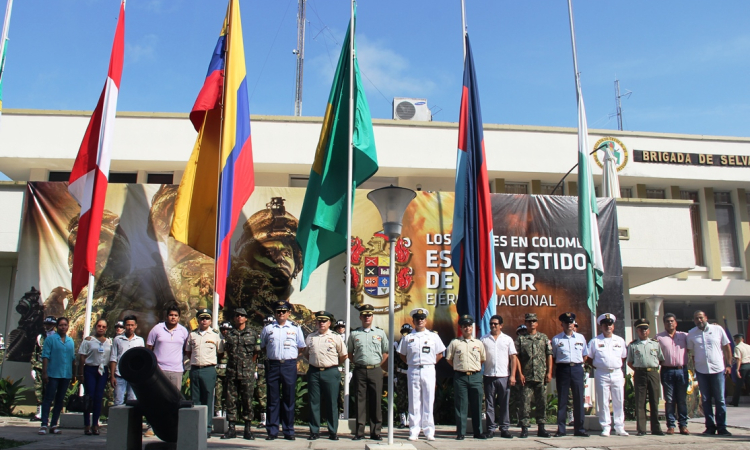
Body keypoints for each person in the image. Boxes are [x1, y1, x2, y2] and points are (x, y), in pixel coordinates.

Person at [261, 300, 306, 441]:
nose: (281, 314)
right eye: (278, 311)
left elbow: (301, 347)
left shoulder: (295, 328)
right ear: (274, 313)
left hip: (289, 365)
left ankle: (288, 430)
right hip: (273, 365)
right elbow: (263, 346)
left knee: (289, 398)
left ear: (289, 313)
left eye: (284, 311)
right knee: (273, 399)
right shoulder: (268, 329)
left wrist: (290, 358)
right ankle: (272, 430)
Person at [398, 308, 445, 441]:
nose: (420, 321)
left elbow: (440, 354)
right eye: (417, 319)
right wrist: (412, 363)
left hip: (429, 369)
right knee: (414, 401)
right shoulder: (408, 338)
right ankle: (414, 430)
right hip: (413, 370)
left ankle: (429, 430)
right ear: (413, 321)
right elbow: (402, 355)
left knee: (428, 400)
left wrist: (429, 363)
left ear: (425, 320)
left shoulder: (433, 336)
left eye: (422, 318)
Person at [686, 310, 732, 436]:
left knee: (720, 399)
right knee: (705, 400)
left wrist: (729, 364)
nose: (699, 320)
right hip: (702, 370)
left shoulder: (718, 330)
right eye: (696, 318)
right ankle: (710, 427)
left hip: (718, 369)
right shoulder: (691, 333)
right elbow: (690, 353)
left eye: (701, 317)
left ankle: (722, 427)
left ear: (706, 317)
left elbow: (727, 347)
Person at [347, 304, 389, 440]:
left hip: (376, 370)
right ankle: (359, 432)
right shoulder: (354, 334)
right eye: (364, 315)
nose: (367, 317)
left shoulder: (380, 333)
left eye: (369, 315)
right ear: (360, 317)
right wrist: (359, 364)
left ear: (372, 317)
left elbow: (385, 352)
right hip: (359, 370)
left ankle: (376, 431)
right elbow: (350, 353)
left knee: (376, 400)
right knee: (360, 401)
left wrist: (377, 364)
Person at [305, 310, 347, 440]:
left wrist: (331, 365)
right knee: (314, 402)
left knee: (332, 402)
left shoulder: (335, 337)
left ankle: (333, 431)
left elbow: (343, 355)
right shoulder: (311, 337)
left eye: (324, 321)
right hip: (314, 372)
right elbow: (307, 354)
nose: (321, 323)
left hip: (330, 372)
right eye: (319, 321)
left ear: (329, 323)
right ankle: (314, 431)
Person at [585, 313, 628, 437]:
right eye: (605, 325)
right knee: (603, 401)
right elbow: (589, 358)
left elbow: (623, 357)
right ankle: (605, 426)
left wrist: (614, 365)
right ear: (601, 326)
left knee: (619, 400)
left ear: (613, 326)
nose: (608, 327)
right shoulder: (595, 341)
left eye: (610, 324)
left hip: (616, 373)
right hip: (602, 373)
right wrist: (600, 366)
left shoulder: (619, 340)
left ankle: (620, 427)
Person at [221, 308, 259, 440]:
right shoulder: (229, 334)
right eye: (237, 315)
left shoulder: (252, 334)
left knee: (247, 401)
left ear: (246, 318)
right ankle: (231, 428)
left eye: (242, 315)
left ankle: (247, 429)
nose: (239, 318)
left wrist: (249, 365)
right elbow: (226, 351)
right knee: (231, 401)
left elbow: (255, 352)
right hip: (232, 371)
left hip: (247, 372)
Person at [446, 314, 486, 440]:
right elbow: (449, 359)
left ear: (472, 328)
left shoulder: (478, 343)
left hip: (475, 377)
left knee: (477, 405)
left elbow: (482, 359)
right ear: (461, 328)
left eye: (469, 326)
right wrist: (459, 367)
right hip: (460, 377)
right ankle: (461, 432)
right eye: (464, 326)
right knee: (461, 406)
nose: (467, 328)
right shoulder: (455, 343)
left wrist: (473, 368)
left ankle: (478, 432)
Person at [185, 308, 223, 438]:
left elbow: (220, 351)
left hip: (209, 369)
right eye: (202, 318)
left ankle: (207, 427)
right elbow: (188, 351)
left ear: (210, 320)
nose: (204, 321)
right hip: (195, 368)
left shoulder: (215, 334)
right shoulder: (193, 335)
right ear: (198, 320)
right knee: (195, 399)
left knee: (208, 398)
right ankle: (197, 426)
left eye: (207, 318)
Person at [515, 313, 552, 438]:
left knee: (541, 402)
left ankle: (541, 427)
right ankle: (524, 428)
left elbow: (549, 355)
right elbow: (516, 357)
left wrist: (549, 372)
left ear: (537, 323)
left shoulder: (543, 338)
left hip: (540, 375)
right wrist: (519, 373)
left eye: (534, 321)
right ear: (525, 323)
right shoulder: (521, 339)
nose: (531, 323)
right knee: (525, 403)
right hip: (526, 376)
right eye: (529, 321)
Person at [550, 312, 588, 438]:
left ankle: (580, 429)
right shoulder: (556, 339)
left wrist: (579, 365)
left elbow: (585, 354)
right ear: (562, 324)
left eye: (571, 322)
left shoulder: (580, 338)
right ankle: (561, 429)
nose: (569, 325)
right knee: (562, 400)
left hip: (577, 368)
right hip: (563, 369)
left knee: (578, 399)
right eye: (566, 323)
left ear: (574, 324)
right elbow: (554, 357)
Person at [480, 314, 517, 439]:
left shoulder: (507, 339)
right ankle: (490, 429)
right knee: (489, 404)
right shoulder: (484, 339)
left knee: (504, 403)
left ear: (501, 325)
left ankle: (504, 428)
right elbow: (479, 357)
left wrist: (512, 375)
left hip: (503, 376)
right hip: (489, 375)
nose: (493, 326)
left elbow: (513, 358)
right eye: (491, 324)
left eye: (496, 324)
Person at [627, 318, 665, 436]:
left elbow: (661, 359)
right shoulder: (633, 345)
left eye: (645, 329)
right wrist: (638, 370)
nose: (643, 331)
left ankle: (656, 428)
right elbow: (630, 362)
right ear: (637, 331)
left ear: (648, 331)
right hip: (640, 373)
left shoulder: (655, 343)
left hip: (653, 372)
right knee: (640, 401)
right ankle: (641, 429)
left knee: (654, 400)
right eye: (641, 329)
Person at [38, 317, 76, 435]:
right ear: (57, 326)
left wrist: (74, 374)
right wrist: (45, 372)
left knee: (59, 400)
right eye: (61, 325)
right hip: (53, 374)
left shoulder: (70, 341)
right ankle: (44, 424)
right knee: (48, 399)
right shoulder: (50, 340)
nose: (63, 327)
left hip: (66, 375)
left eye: (65, 325)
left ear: (68, 326)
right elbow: (45, 356)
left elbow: (73, 359)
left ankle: (54, 424)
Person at [656, 312, 690, 434]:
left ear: (676, 323)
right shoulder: (659, 338)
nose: (670, 323)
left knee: (681, 399)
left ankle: (683, 425)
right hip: (667, 370)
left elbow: (696, 340)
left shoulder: (685, 336)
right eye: (667, 321)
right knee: (669, 399)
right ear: (664, 323)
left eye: (672, 321)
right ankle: (671, 425)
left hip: (682, 370)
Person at [77, 318, 112, 435]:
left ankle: (95, 424)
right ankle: (87, 424)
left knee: (98, 397)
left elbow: (111, 358)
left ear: (106, 329)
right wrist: (80, 373)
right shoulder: (88, 340)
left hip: (103, 371)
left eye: (103, 327)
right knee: (89, 397)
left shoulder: (109, 342)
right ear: (96, 327)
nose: (101, 328)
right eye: (99, 326)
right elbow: (82, 357)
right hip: (90, 369)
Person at [146, 304, 189, 391]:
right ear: (166, 316)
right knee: (158, 396)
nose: (173, 317)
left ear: (179, 318)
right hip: (159, 370)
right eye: (171, 315)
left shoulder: (183, 331)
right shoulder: (157, 328)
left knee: (175, 398)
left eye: (176, 315)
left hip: (176, 370)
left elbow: (186, 349)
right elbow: (149, 347)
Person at [109, 315, 145, 406]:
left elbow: (142, 359)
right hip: (120, 374)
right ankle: (118, 420)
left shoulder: (140, 341)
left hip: (134, 375)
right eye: (128, 325)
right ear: (124, 326)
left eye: (132, 325)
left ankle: (131, 420)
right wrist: (112, 376)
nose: (130, 327)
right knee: (118, 400)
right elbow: (113, 358)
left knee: (132, 401)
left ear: (136, 326)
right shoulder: (117, 340)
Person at [31, 316, 57, 420]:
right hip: (39, 367)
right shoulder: (40, 337)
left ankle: (47, 412)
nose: (47, 326)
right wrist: (33, 367)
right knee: (38, 389)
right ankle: (39, 413)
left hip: (52, 367)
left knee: (49, 390)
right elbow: (35, 353)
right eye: (46, 324)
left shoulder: (57, 337)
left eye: (50, 324)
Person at [255, 315, 274, 427]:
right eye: (266, 323)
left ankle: (273, 418)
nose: (267, 325)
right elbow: (256, 353)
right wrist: (255, 369)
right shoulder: (260, 336)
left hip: (273, 367)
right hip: (262, 368)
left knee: (273, 394)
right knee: (261, 394)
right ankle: (264, 419)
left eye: (270, 323)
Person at [395, 324, 412, 429]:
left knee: (412, 397)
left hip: (411, 373)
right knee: (401, 397)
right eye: (404, 331)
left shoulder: (413, 343)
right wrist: (394, 375)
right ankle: (402, 420)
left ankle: (411, 420)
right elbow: (394, 361)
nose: (406, 334)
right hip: (401, 374)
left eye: (408, 331)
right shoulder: (396, 344)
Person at [510, 324, 527, 428]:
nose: (523, 333)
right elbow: (515, 358)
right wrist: (519, 374)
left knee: (525, 399)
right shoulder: (516, 343)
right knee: (517, 398)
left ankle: (525, 418)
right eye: (521, 332)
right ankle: (519, 419)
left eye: (524, 331)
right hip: (517, 375)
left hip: (530, 374)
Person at [215, 321, 232, 417]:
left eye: (227, 330)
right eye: (223, 329)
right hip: (218, 370)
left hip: (229, 371)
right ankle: (218, 412)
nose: (225, 331)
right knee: (218, 393)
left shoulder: (232, 340)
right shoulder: (217, 339)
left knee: (228, 393)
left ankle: (226, 412)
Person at [730, 333, 750, 407]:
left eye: (735, 340)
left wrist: (737, 369)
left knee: (738, 385)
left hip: (743, 366)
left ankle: (735, 402)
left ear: (738, 340)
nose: (735, 341)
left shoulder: (737, 347)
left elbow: (739, 359)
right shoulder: (748, 346)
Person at [332, 319, 347, 419]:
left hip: (346, 370)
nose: (340, 329)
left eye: (342, 327)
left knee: (344, 394)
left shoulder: (349, 339)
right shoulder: (333, 338)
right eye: (339, 327)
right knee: (334, 393)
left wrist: (350, 370)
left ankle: (343, 413)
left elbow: (350, 355)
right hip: (334, 368)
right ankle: (334, 415)